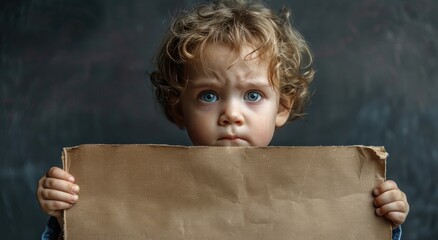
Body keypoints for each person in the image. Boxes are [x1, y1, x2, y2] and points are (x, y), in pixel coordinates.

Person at [36, 0, 409, 239]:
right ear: (179, 108)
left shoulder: (320, 192)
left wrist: (384, 221)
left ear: (281, 107)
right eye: (208, 96)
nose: (231, 114)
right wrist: (62, 217)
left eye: (253, 95)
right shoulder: (146, 194)